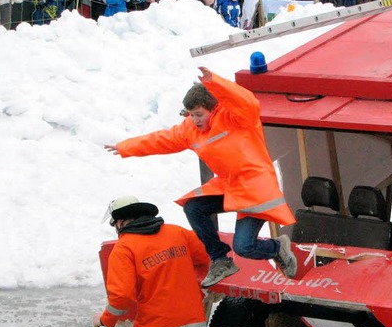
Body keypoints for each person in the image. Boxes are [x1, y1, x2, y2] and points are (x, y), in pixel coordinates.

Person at [104, 66, 298, 288]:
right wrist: (125, 147)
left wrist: (214, 82)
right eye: (190, 114)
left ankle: (277, 248)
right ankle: (220, 260)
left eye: (198, 114)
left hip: (256, 188)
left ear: (212, 109)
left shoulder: (235, 118)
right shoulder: (190, 129)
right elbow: (161, 139)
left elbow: (248, 102)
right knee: (193, 207)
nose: (194, 120)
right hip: (230, 186)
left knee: (244, 247)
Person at [93, 196, 213, 327]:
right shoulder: (178, 233)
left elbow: (122, 297)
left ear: (120, 222)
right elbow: (207, 257)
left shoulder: (124, 248)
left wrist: (104, 320)